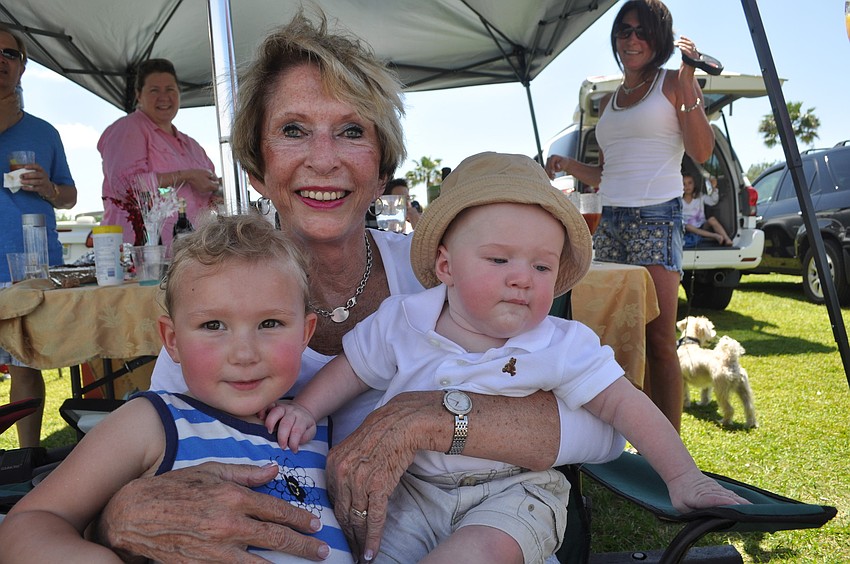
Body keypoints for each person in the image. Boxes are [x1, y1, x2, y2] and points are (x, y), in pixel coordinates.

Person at [93, 11, 624, 563]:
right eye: (293, 130)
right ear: (257, 168)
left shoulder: (438, 278)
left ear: (380, 164)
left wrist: (437, 418)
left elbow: (606, 430)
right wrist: (115, 517)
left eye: (351, 131)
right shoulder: (217, 307)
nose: (324, 160)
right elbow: (151, 454)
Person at [263, 152, 750, 563]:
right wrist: (305, 409)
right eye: (499, 260)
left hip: (514, 490)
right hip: (412, 491)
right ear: (446, 266)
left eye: (542, 265)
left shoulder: (560, 341)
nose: (523, 278)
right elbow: (351, 368)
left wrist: (683, 477)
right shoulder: (405, 320)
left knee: (476, 554)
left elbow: (627, 406)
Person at [0, 213, 357, 563]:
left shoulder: (317, 427)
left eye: (270, 322)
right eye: (213, 325)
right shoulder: (152, 422)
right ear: (172, 340)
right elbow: (31, 523)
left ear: (305, 334)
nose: (244, 354)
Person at [545, 0, 715, 432]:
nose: (631, 39)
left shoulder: (674, 82)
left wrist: (690, 78)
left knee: (658, 338)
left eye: (641, 31)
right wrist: (566, 167)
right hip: (610, 220)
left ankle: (669, 447)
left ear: (659, 38)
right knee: (609, 333)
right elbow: (607, 172)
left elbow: (701, 152)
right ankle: (618, 436)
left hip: (656, 217)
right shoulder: (610, 100)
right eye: (624, 31)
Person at [0, 25, 77, 448]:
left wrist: (48, 189)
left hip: (32, 267)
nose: (1, 60)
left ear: (23, 67)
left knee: (26, 364)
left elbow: (70, 194)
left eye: (10, 54)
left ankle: (28, 456)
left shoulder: (44, 132)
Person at [99, 58, 220, 249]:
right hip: (137, 255)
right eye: (154, 90)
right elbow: (124, 188)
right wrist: (186, 176)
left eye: (170, 89)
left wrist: (218, 188)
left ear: (179, 94)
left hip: (189, 254)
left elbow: (209, 195)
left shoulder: (192, 145)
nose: (164, 97)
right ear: (138, 95)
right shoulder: (128, 128)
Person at [682, 172, 731, 247]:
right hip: (688, 229)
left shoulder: (700, 196)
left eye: (690, 183)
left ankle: (727, 238)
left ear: (694, 184)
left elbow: (713, 201)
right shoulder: (680, 201)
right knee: (687, 226)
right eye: (684, 184)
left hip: (702, 225)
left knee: (712, 219)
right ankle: (715, 236)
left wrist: (714, 188)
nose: (687, 186)